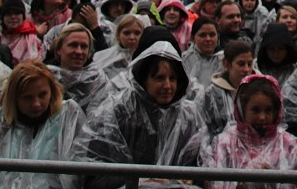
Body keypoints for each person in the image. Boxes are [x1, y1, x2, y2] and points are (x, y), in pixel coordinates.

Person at [76, 41, 204, 189]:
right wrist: (141, 181)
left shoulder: (188, 117)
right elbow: (94, 175)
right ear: (143, 80)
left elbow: (198, 167)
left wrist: (190, 179)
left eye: (173, 78)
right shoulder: (117, 113)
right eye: (159, 78)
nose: (168, 86)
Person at [0, 60, 86, 189]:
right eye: (27, 98)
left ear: (52, 91)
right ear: (14, 97)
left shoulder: (69, 116)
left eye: (42, 95)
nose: (36, 104)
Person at [200, 74, 297, 189]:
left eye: (268, 110)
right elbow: (213, 183)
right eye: (255, 110)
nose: (262, 117)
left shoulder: (290, 144)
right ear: (242, 109)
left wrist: (272, 181)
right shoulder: (224, 143)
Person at [46, 24, 110, 114]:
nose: (79, 51)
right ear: (59, 50)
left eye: (84, 47)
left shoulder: (98, 80)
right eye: (73, 45)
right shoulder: (46, 78)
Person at [201, 39, 256, 136]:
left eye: (250, 64)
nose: (247, 69)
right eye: (241, 64)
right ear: (226, 64)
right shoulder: (213, 94)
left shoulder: (261, 90)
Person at [94, 14, 144, 85]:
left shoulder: (148, 58)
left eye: (137, 33)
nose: (132, 37)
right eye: (127, 33)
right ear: (118, 35)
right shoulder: (101, 56)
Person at [1, 0, 45, 65]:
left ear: (23, 16)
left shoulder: (31, 37)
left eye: (17, 13)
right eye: (8, 14)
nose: (13, 17)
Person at [255, 22, 297, 87]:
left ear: (287, 50)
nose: (276, 53)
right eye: (271, 49)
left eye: (281, 49)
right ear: (265, 50)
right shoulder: (256, 67)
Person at [182, 17, 223, 88]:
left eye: (212, 35)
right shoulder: (185, 59)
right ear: (192, 38)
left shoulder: (224, 59)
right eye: (203, 35)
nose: (208, 39)